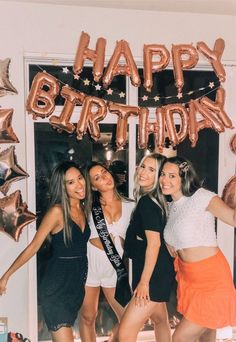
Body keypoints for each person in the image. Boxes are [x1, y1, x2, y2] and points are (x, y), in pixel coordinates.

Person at [0, 161, 90, 342]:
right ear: (62, 187)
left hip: (76, 286)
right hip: (56, 288)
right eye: (71, 182)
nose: (79, 184)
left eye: (79, 178)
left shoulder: (82, 208)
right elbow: (34, 246)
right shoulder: (57, 212)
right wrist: (6, 276)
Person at [159, 156, 236, 342]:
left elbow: (233, 218)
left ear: (184, 178)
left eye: (172, 176)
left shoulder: (202, 197)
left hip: (211, 279)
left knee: (180, 338)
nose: (164, 180)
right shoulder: (171, 206)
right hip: (189, 279)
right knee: (206, 334)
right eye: (163, 174)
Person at [118, 153, 175, 342]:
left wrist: (144, 282)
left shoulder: (147, 203)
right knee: (160, 320)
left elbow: (154, 243)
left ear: (159, 176)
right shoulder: (156, 201)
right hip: (158, 270)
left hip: (152, 276)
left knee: (126, 331)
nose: (143, 172)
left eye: (151, 170)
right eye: (143, 166)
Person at [79, 161, 135, 342]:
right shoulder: (87, 207)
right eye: (97, 178)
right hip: (90, 267)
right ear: (93, 186)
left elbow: (137, 238)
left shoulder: (130, 206)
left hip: (115, 268)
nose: (104, 177)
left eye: (104, 172)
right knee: (88, 317)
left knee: (128, 318)